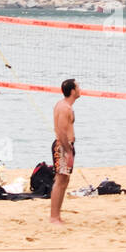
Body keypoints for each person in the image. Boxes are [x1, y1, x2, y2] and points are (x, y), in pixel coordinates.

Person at [49, 79, 80, 225]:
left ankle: (57, 215)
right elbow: (61, 132)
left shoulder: (67, 106)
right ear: (73, 91)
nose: (80, 89)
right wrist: (68, 152)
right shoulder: (64, 107)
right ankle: (54, 217)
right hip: (62, 146)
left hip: (66, 146)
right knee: (60, 180)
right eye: (78, 86)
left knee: (64, 180)